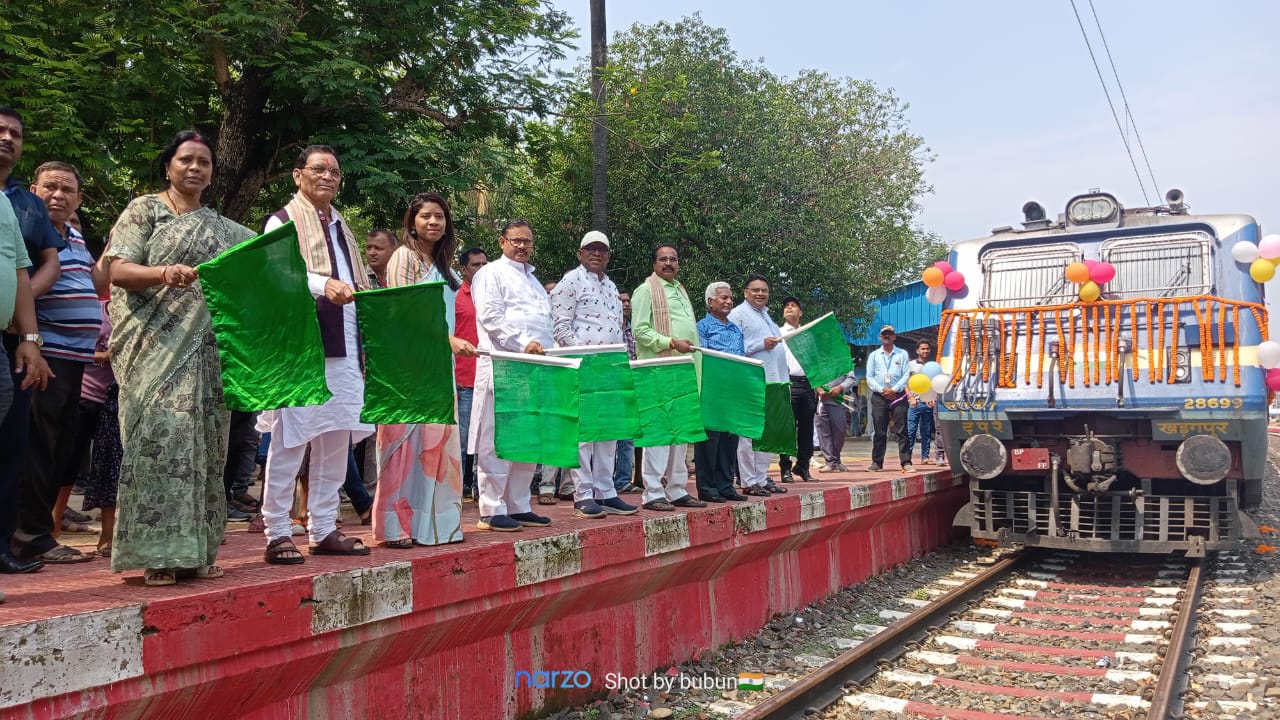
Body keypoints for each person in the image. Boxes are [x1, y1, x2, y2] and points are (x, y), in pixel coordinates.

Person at [104, 129, 257, 585]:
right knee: (160, 443)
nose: (195, 168)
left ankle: (197, 552)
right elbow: (118, 269)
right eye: (186, 159)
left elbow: (265, 261)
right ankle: (158, 554)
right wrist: (162, 273)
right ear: (169, 165)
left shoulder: (224, 229)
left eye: (204, 162)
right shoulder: (144, 210)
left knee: (206, 446)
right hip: (152, 352)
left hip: (207, 355)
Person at [260, 144, 374, 564]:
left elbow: (353, 281)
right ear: (298, 175)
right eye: (319, 169)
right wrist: (322, 285)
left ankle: (323, 527)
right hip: (302, 345)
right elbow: (276, 272)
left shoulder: (342, 226)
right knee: (291, 439)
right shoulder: (282, 220)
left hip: (344, 346)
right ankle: (276, 530)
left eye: (335, 172)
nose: (328, 177)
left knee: (335, 437)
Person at [17, 162, 108, 564]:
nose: (58, 195)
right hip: (45, 355)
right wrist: (29, 341)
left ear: (79, 199)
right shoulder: (28, 233)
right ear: (35, 190)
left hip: (77, 361)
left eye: (67, 189)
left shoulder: (72, 235)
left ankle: (40, 531)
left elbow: (97, 283)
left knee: (60, 449)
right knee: (38, 446)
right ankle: (30, 535)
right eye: (50, 187)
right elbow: (20, 291)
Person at [371, 192, 474, 547]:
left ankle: (437, 524)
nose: (434, 222)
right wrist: (447, 340)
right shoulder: (403, 258)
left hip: (438, 365)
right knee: (404, 444)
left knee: (437, 445)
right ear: (412, 222)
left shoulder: (444, 268)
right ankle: (396, 527)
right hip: (408, 362)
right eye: (426, 216)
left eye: (440, 217)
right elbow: (405, 312)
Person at [0, 107, 61, 576]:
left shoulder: (14, 203)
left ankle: (3, 547)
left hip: (12, 340)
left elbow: (23, 272)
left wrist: (28, 336)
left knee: (12, 446)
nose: (6, 139)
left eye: (14, 134)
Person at [468, 219, 554, 532]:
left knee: (528, 439)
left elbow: (546, 324)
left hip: (535, 369)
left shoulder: (533, 280)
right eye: (516, 240)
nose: (522, 246)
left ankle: (518, 504)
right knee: (497, 438)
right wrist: (521, 344)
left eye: (527, 241)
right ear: (502, 241)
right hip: (504, 364)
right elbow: (490, 317)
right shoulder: (490, 273)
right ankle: (491, 508)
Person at [550, 230, 639, 519]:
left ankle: (606, 491)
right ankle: (583, 494)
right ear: (580, 253)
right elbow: (560, 329)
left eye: (602, 250)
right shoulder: (569, 282)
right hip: (583, 366)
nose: (597, 254)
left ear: (608, 255)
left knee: (609, 431)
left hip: (611, 367)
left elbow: (618, 329)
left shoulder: (612, 287)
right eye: (591, 249)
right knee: (584, 433)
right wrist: (583, 359)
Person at [630, 243, 705, 511]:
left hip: (684, 370)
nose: (669, 263)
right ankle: (652, 492)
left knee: (681, 431)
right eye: (663, 259)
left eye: (673, 259)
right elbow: (640, 331)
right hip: (659, 370)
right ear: (654, 264)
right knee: (659, 432)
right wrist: (671, 342)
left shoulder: (680, 290)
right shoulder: (645, 290)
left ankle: (676, 488)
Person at [728, 274, 789, 496]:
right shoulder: (738, 315)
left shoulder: (767, 316)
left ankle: (762, 477)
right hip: (751, 382)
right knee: (748, 434)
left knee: (768, 433)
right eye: (755, 290)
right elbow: (732, 348)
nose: (760, 294)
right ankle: (748, 479)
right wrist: (759, 343)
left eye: (764, 290)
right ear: (745, 292)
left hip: (774, 382)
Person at [694, 282, 748, 503]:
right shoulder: (702, 327)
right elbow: (704, 356)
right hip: (712, 389)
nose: (728, 301)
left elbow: (742, 357)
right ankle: (707, 487)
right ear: (710, 302)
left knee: (729, 439)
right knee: (710, 440)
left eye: (730, 298)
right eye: (723, 298)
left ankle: (726, 485)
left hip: (733, 391)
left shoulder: (735, 328)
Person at [455, 246, 487, 501]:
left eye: (484, 265)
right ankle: (455, 492)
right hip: (461, 377)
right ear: (463, 269)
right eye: (475, 265)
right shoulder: (455, 295)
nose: (480, 270)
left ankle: (479, 490)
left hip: (487, 376)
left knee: (484, 438)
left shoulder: (492, 295)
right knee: (461, 440)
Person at [777, 296, 816, 483]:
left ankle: (803, 466)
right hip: (788, 382)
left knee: (807, 429)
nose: (789, 308)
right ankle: (785, 468)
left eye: (793, 306)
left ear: (800, 312)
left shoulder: (807, 334)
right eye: (786, 306)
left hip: (807, 384)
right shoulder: (778, 333)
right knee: (787, 428)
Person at [866, 325, 912, 473]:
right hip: (879, 396)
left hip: (898, 396)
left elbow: (906, 375)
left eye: (890, 334)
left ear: (894, 337)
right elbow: (869, 377)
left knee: (902, 429)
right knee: (879, 430)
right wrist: (882, 390)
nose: (887, 336)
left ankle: (906, 462)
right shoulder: (874, 355)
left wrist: (894, 389)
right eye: (884, 334)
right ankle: (877, 463)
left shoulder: (902, 354)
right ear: (880, 337)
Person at [613, 291, 638, 493]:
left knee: (628, 439)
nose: (626, 304)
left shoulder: (633, 330)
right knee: (608, 438)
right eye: (622, 301)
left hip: (632, 388)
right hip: (612, 387)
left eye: (628, 301)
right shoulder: (610, 329)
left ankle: (623, 481)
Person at [815, 366, 856, 474]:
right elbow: (812, 375)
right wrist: (818, 389)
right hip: (822, 401)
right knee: (823, 432)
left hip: (838, 401)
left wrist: (840, 387)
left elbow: (851, 378)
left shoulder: (843, 357)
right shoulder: (818, 357)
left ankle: (836, 460)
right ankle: (830, 462)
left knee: (840, 430)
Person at [906, 340, 938, 466]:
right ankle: (907, 458)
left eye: (927, 349)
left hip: (928, 403)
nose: (925, 351)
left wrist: (933, 397)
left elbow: (935, 383)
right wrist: (910, 398)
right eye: (923, 349)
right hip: (914, 403)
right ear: (917, 350)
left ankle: (925, 457)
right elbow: (904, 382)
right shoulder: (911, 365)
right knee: (911, 431)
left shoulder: (933, 366)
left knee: (926, 431)